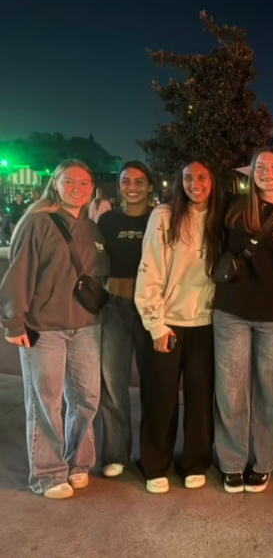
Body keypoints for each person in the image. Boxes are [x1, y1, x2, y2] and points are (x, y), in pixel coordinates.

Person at [0, 160, 109, 499]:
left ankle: (78, 463)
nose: (78, 188)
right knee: (45, 401)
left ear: (92, 188)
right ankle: (47, 474)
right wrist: (13, 321)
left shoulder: (92, 228)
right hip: (44, 327)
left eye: (84, 183)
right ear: (56, 185)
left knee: (87, 398)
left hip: (86, 326)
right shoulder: (38, 222)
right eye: (69, 182)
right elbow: (19, 273)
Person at [213, 147, 273, 494]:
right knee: (231, 391)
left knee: (268, 392)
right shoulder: (234, 207)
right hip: (231, 311)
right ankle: (232, 461)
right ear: (251, 172)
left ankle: (263, 461)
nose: (267, 172)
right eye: (260, 166)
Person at [134, 157, 221, 494]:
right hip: (168, 322)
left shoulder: (219, 219)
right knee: (161, 397)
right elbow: (150, 270)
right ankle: (155, 463)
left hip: (206, 322)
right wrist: (155, 324)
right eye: (188, 177)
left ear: (212, 181)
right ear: (179, 181)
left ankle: (195, 462)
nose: (195, 184)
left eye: (202, 177)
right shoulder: (164, 216)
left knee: (201, 398)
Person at [97, 161, 155, 478]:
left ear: (149, 186)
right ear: (119, 187)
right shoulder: (107, 220)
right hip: (115, 308)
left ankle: (152, 454)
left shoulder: (158, 220)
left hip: (150, 311)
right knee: (112, 384)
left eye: (138, 181)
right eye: (125, 181)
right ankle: (115, 453)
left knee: (153, 385)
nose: (131, 186)